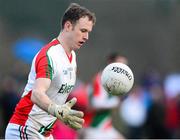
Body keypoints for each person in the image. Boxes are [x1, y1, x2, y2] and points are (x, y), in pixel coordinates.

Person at [5, 3, 96, 139]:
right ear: (68, 26)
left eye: (88, 32)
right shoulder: (49, 56)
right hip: (26, 129)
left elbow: (55, 96)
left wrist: (65, 114)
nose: (86, 37)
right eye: (83, 30)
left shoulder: (72, 57)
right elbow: (37, 94)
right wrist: (56, 110)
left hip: (45, 134)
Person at [83, 53, 128, 139]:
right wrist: (116, 101)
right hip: (95, 128)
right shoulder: (101, 79)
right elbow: (97, 103)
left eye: (125, 66)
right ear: (110, 63)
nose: (123, 69)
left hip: (105, 127)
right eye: (120, 65)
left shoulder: (114, 81)